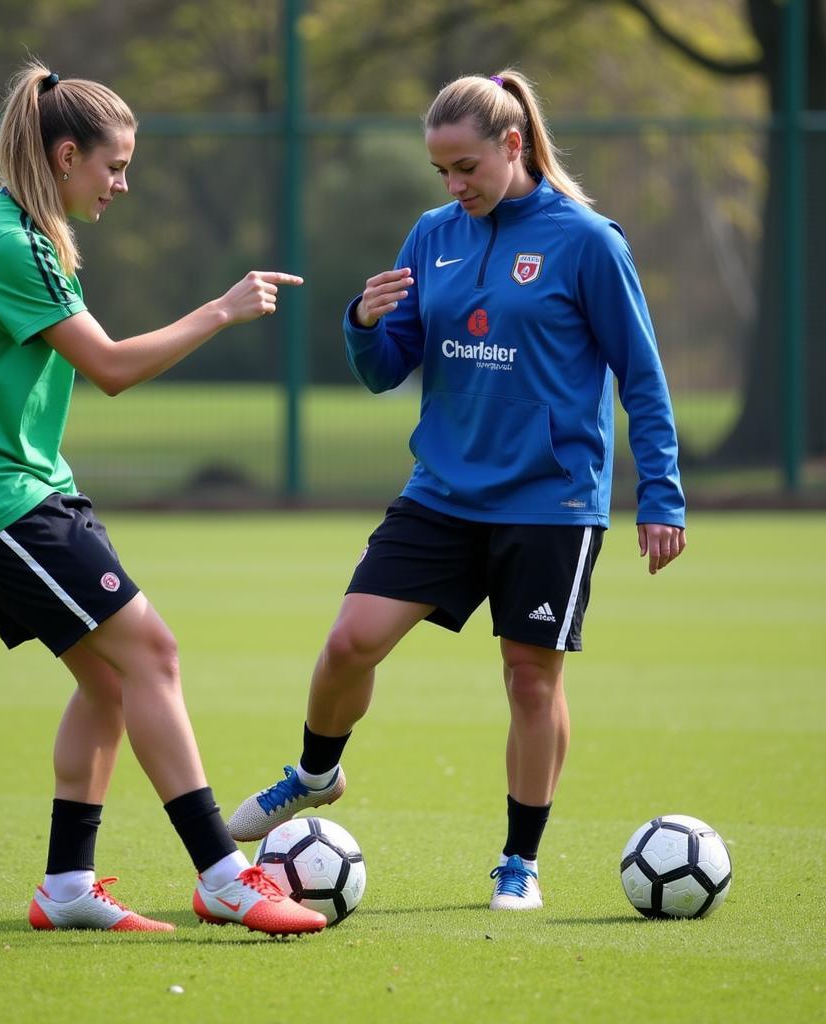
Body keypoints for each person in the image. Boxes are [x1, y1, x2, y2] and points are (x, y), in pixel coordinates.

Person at [0, 61, 327, 936]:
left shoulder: (14, 230)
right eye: (113, 166)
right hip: (0, 498)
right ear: (66, 155)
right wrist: (219, 311)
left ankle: (66, 887)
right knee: (152, 651)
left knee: (108, 683)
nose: (123, 183)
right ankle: (223, 872)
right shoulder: (9, 241)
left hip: (12, 488)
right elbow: (107, 368)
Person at [227, 70, 686, 911]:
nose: (453, 186)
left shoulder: (588, 241)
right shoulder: (432, 234)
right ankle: (315, 774)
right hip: (442, 490)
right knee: (348, 643)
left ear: (513, 146)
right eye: (441, 171)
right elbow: (384, 370)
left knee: (530, 680)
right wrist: (362, 323)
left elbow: (642, 376)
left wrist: (661, 491)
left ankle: (520, 861)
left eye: (466, 167)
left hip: (550, 500)